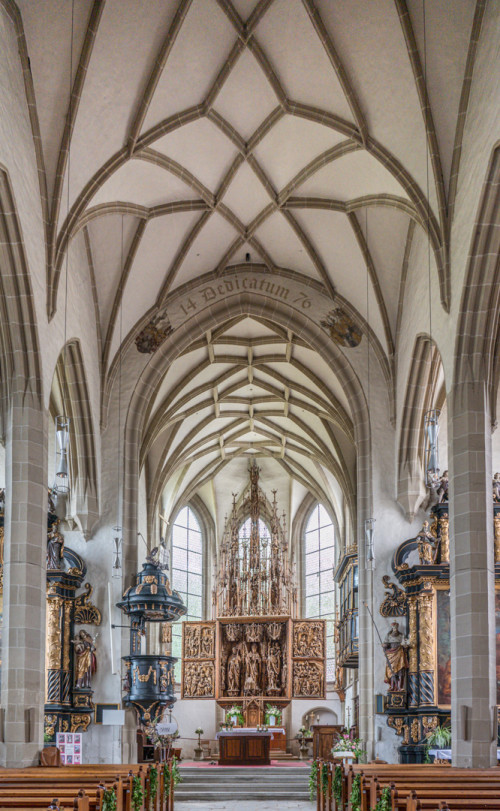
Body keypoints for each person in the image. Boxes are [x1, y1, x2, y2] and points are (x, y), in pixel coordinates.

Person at [383, 621, 408, 692]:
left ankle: (400, 687)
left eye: (396, 628)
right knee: (392, 671)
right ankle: (392, 686)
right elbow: (386, 645)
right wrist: (385, 647)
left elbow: (404, 643)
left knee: (400, 670)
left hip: (399, 653)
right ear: (392, 628)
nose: (395, 629)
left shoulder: (401, 635)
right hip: (391, 654)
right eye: (394, 628)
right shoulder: (388, 635)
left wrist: (405, 646)